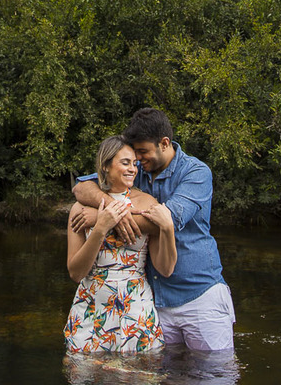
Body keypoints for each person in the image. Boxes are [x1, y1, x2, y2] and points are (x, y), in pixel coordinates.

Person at [72, 108, 235, 352]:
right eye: (134, 154)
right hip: (155, 301)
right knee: (163, 370)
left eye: (142, 151)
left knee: (214, 368)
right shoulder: (136, 171)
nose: (137, 159)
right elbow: (82, 187)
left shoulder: (196, 172)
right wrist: (108, 206)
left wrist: (101, 218)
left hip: (199, 295)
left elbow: (167, 219)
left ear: (164, 143)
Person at [64, 135, 177, 355]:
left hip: (136, 306)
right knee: (86, 370)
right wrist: (100, 228)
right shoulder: (81, 208)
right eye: (125, 163)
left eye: (134, 164)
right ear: (105, 166)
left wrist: (168, 228)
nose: (133, 169)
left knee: (139, 370)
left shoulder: (147, 203)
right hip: (92, 306)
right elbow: (75, 273)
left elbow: (165, 269)